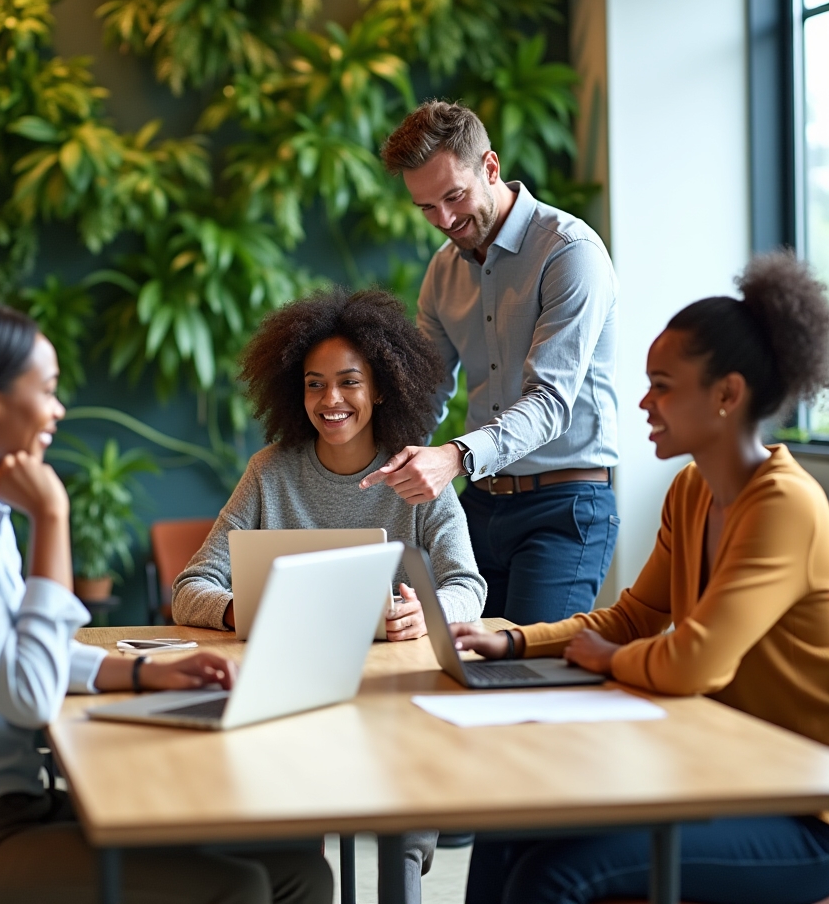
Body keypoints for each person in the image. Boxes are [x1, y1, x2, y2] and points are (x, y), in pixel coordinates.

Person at [0, 298, 332, 904]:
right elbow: (29, 689)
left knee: (300, 870)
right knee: (239, 888)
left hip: (18, 808)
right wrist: (51, 518)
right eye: (46, 391)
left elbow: (22, 647)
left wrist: (143, 671)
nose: (58, 410)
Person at [451, 252, 829, 904]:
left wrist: (612, 658)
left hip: (805, 812)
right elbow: (629, 619)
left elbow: (695, 664)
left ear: (726, 394)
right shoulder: (691, 491)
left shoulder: (784, 506)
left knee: (557, 876)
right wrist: (513, 642)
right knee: (509, 819)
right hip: (724, 774)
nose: (644, 401)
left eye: (662, 384)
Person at [171, 288, 486, 904]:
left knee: (404, 794)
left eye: (349, 382)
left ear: (382, 388)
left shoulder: (416, 475)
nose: (330, 400)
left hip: (392, 694)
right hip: (293, 691)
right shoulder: (270, 471)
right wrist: (242, 610)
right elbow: (191, 588)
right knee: (286, 829)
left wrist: (426, 614)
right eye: (315, 384)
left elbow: (466, 586)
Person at [363, 101, 619, 625]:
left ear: (491, 167)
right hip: (479, 507)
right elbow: (424, 394)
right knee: (458, 669)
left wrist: (453, 457)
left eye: (454, 197)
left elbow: (549, 404)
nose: (446, 220)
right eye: (427, 208)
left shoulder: (569, 252)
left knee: (526, 679)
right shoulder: (442, 272)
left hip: (565, 507)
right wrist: (364, 460)